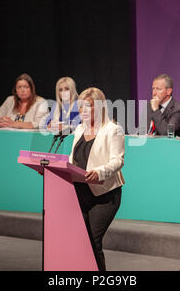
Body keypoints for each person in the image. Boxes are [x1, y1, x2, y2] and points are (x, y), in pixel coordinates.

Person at [69, 87, 124, 271]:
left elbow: (118, 161)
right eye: (81, 107)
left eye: (89, 107)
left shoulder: (113, 129)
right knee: (81, 241)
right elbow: (72, 158)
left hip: (105, 195)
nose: (83, 111)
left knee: (93, 240)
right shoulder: (79, 129)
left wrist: (99, 172)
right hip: (80, 192)